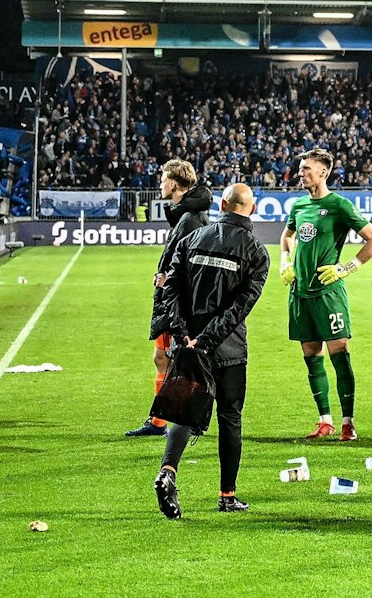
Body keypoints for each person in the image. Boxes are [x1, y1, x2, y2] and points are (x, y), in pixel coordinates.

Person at [153, 182, 270, 518]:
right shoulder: (257, 252)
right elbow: (239, 308)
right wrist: (207, 339)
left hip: (188, 345)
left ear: (222, 204)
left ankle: (168, 472)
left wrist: (184, 334)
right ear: (252, 208)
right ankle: (227, 495)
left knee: (186, 411)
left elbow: (169, 289)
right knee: (230, 418)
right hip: (228, 349)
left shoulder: (192, 239)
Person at [281, 149, 372, 441]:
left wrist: (346, 267)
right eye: (301, 169)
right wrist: (285, 263)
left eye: (307, 169)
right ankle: (324, 420)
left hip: (328, 293)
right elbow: (286, 236)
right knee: (311, 354)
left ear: (323, 172)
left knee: (340, 354)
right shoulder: (299, 206)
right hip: (300, 292)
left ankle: (348, 423)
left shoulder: (339, 204)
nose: (301, 173)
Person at [127, 159, 213, 437]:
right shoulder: (186, 214)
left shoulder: (190, 219)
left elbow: (194, 261)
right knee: (162, 357)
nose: (160, 184)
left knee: (178, 358)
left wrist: (170, 279)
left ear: (174, 183)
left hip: (179, 302)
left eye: (163, 180)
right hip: (173, 298)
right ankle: (161, 421)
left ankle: (182, 421)